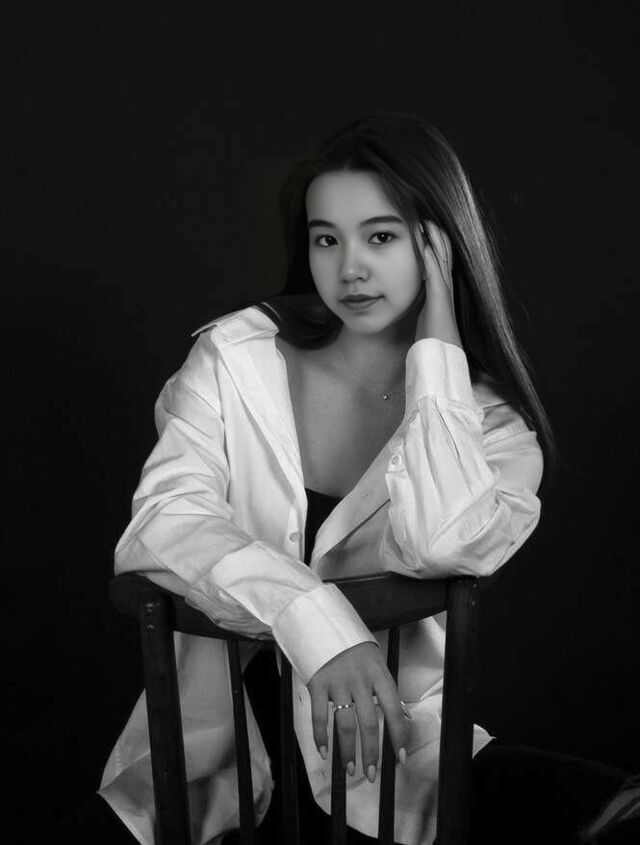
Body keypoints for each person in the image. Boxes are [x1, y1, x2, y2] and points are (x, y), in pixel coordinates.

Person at [90, 114, 637, 844]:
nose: (349, 268)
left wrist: (437, 352)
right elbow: (164, 521)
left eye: (381, 237)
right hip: (224, 766)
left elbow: (441, 543)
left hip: (396, 763)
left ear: (440, 245)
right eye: (326, 239)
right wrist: (316, 623)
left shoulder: (492, 429)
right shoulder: (234, 358)